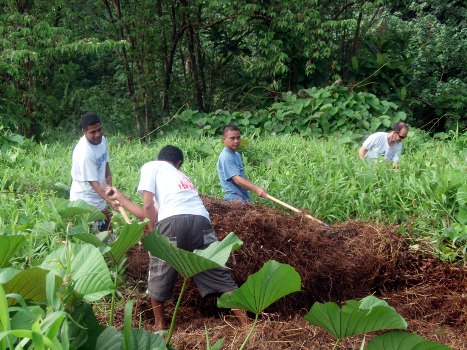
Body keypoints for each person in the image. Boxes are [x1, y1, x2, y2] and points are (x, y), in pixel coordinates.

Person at [107, 145, 247, 330]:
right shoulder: (181, 178)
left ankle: (160, 325)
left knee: (159, 275)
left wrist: (155, 241)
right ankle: (246, 325)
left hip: (172, 224)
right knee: (216, 271)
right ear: (178, 164)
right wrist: (121, 198)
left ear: (159, 158)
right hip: (201, 223)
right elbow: (147, 212)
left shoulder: (152, 166)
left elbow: (148, 207)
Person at [70, 112, 117, 231]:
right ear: (84, 132)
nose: (98, 135)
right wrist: (110, 201)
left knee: (109, 238)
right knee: (95, 242)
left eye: (99, 130)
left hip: (99, 199)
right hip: (86, 204)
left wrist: (111, 192)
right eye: (92, 132)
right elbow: (94, 183)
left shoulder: (102, 141)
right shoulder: (84, 153)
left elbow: (107, 171)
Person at [217, 125, 267, 203]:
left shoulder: (237, 155)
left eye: (238, 138)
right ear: (224, 140)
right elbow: (237, 179)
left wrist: (258, 189)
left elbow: (242, 177)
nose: (236, 141)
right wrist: (256, 189)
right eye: (232, 138)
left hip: (243, 197)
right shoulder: (226, 157)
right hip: (233, 199)